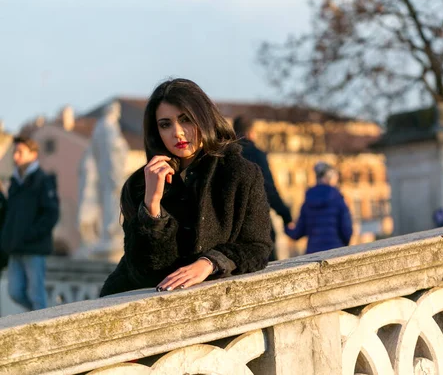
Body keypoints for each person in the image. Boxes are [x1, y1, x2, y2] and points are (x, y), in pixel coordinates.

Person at [99, 79, 272, 296]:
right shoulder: (140, 183)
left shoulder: (239, 173)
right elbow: (143, 272)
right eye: (165, 124)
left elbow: (257, 247)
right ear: (156, 132)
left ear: (204, 118)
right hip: (136, 309)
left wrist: (210, 262)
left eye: (186, 120)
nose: (178, 133)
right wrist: (152, 207)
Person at [0, 136, 59, 311]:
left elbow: (51, 214)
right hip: (15, 247)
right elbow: (10, 214)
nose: (15, 156)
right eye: (14, 152)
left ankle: (42, 328)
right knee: (15, 292)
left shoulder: (43, 180)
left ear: (33, 155)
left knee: (36, 296)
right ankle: (35, 319)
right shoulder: (14, 182)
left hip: (34, 248)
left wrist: (30, 234)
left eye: (20, 152)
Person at [233, 115, 293, 260]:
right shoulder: (256, 154)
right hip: (258, 222)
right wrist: (285, 215)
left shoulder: (227, 154)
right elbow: (268, 189)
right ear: (251, 132)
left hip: (233, 225)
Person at [285, 161, 353, 254]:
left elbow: (297, 233)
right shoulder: (338, 199)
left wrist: (285, 224)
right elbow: (347, 229)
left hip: (313, 254)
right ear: (329, 177)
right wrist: (344, 245)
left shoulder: (308, 201)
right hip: (336, 251)